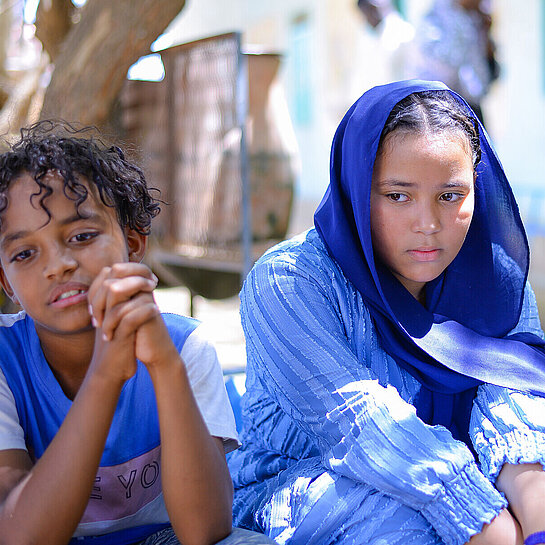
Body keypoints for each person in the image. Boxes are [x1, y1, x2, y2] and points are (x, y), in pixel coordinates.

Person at [228, 80, 545, 545]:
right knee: (413, 528)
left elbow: (513, 393)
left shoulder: (491, 275)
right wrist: (485, 521)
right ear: (357, 188)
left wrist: (533, 512)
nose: (428, 224)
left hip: (468, 466)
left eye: (450, 195)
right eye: (398, 196)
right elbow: (358, 425)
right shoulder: (291, 282)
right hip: (309, 485)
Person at [0, 122, 276, 545]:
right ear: (6, 284)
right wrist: (105, 375)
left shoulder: (183, 347)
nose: (57, 265)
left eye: (83, 236)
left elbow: (205, 532)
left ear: (133, 244)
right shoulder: (4, 360)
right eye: (25, 253)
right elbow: (19, 535)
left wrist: (164, 367)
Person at [412, 0, 500, 125]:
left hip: (471, 110)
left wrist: (486, 33)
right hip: (440, 110)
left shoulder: (476, 20)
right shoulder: (434, 20)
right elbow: (445, 67)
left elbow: (490, 76)